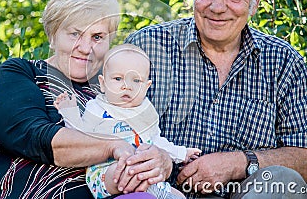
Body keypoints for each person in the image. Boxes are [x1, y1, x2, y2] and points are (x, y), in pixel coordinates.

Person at [125, 0, 307, 199]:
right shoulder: (147, 48)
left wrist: (236, 163)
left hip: (247, 195)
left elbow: (306, 162)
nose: (218, 7)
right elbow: (108, 125)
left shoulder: (283, 62)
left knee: (281, 180)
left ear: (255, 1)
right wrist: (154, 157)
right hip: (162, 192)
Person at [0, 0, 173, 199]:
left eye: (97, 37)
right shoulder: (21, 73)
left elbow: (147, 135)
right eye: (75, 34)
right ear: (53, 35)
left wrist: (161, 160)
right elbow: (32, 135)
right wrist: (112, 146)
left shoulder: (117, 88)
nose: (85, 47)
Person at [54, 43, 202, 199]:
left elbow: (156, 141)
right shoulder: (97, 108)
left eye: (136, 81)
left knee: (179, 195)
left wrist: (181, 153)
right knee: (123, 170)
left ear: (147, 86)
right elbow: (80, 135)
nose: (127, 86)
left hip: (144, 174)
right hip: (106, 172)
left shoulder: (146, 112)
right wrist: (69, 111)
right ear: (103, 84)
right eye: (118, 79)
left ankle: (155, 191)